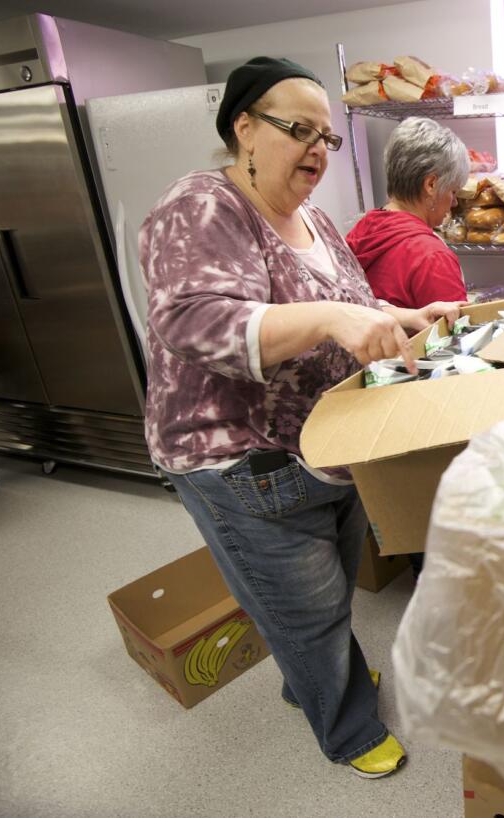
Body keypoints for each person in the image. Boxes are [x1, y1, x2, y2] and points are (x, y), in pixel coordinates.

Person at [139, 57, 461, 780]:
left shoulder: (313, 218)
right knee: (304, 606)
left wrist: (410, 316)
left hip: (322, 444)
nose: (318, 148)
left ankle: (311, 676)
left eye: (327, 136)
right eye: (299, 130)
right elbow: (196, 323)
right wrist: (331, 317)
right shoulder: (201, 207)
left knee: (330, 583)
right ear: (244, 127)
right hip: (236, 460)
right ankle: (344, 726)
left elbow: (349, 301)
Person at [346, 117, 469, 309]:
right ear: (431, 184)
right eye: (453, 191)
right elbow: (457, 334)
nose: (454, 202)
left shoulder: (363, 230)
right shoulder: (432, 257)